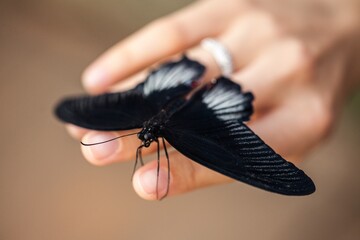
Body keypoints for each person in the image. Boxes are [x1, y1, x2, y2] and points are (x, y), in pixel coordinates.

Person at [63, 0, 360, 200]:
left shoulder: (142, 121)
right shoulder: (163, 130)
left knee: (223, 154)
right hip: (194, 101)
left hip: (173, 90)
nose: (146, 137)